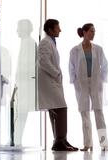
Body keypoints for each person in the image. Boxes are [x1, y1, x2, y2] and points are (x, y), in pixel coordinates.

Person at [37, 19, 78, 152]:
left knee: (56, 108)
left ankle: (60, 140)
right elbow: (43, 61)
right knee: (60, 108)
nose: (60, 30)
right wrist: (56, 73)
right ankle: (60, 140)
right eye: (57, 28)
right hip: (49, 81)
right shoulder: (45, 43)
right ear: (50, 30)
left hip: (52, 81)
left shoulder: (51, 42)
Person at [69, 23, 108, 152]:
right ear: (85, 32)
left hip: (96, 83)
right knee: (84, 113)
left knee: (99, 112)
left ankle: (104, 144)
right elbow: (71, 68)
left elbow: (105, 65)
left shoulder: (98, 49)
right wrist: (75, 82)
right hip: (82, 84)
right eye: (91, 31)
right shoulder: (75, 50)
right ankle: (87, 144)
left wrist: (101, 80)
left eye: (94, 31)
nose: (93, 34)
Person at [14, 19, 37, 147]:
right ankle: (16, 139)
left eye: (19, 27)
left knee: (21, 112)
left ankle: (17, 139)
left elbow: (28, 66)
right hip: (22, 84)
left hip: (25, 85)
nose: (17, 30)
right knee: (20, 112)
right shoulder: (25, 43)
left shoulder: (29, 43)